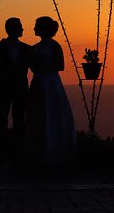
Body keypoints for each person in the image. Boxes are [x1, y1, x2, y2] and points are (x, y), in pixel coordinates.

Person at [24, 16, 76, 166]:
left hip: (50, 82)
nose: (33, 28)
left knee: (51, 112)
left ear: (43, 28)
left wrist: (43, 64)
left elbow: (60, 65)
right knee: (39, 113)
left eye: (36, 26)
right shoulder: (34, 47)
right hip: (39, 82)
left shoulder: (54, 46)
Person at [0, 17, 32, 169]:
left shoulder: (28, 48)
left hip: (20, 90)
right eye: (20, 27)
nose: (23, 29)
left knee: (19, 124)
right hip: (3, 90)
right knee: (2, 124)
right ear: (11, 29)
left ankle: (17, 158)